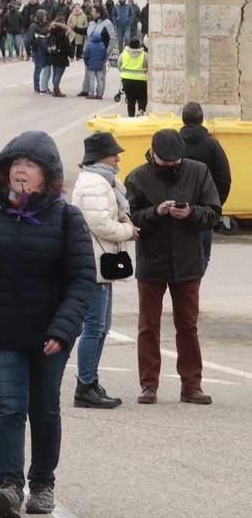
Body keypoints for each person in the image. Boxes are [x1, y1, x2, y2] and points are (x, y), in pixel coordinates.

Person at [0, 132, 95, 518]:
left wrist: (63, 330)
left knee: (44, 409)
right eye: (15, 163)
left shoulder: (67, 218)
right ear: (3, 172)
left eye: (30, 164)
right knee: (9, 408)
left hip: (49, 336)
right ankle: (9, 486)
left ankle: (43, 484)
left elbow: (83, 279)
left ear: (46, 175)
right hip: (0, 332)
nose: (21, 169)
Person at [126, 129, 222, 406]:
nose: (169, 165)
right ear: (153, 153)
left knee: (188, 326)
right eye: (165, 161)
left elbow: (213, 213)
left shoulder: (199, 172)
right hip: (152, 262)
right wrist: (156, 212)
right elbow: (130, 218)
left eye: (175, 161)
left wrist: (191, 213)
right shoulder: (137, 177)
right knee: (148, 326)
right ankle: (148, 385)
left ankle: (192, 385)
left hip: (187, 262)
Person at [70, 131, 136, 410]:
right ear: (101, 158)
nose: (118, 158)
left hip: (101, 262)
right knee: (94, 326)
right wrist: (128, 231)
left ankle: (91, 381)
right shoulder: (95, 184)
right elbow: (101, 225)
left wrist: (123, 220)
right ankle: (85, 385)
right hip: (94, 263)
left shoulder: (104, 181)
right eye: (114, 154)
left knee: (101, 326)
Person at [178, 102, 234, 267]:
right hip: (204, 213)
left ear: (183, 120)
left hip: (178, 210)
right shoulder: (212, 145)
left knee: (179, 259)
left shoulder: (175, 144)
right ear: (202, 119)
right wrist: (215, 206)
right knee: (202, 257)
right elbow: (224, 179)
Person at [118, 38, 148, 116]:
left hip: (127, 80)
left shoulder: (123, 54)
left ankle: (131, 115)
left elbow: (119, 64)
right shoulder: (144, 55)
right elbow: (148, 66)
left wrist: (123, 72)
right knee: (142, 98)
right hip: (141, 81)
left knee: (130, 100)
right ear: (139, 45)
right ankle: (141, 111)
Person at [26, 9, 51, 93]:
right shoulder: (33, 25)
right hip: (36, 49)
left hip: (44, 49)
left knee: (46, 69)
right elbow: (30, 38)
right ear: (40, 16)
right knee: (38, 68)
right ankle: (37, 86)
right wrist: (28, 53)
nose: (45, 18)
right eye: (44, 16)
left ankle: (44, 86)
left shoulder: (45, 23)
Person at [46, 19, 72, 97]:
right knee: (59, 74)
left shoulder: (51, 32)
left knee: (55, 73)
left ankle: (56, 89)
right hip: (61, 56)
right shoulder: (63, 33)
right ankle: (55, 90)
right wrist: (71, 55)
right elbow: (67, 46)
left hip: (53, 54)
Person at [82, 31, 108, 100]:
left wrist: (86, 63)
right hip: (99, 66)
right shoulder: (102, 45)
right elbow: (105, 55)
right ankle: (99, 94)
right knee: (100, 80)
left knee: (92, 80)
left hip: (91, 65)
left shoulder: (89, 45)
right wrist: (102, 62)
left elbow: (85, 55)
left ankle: (91, 94)